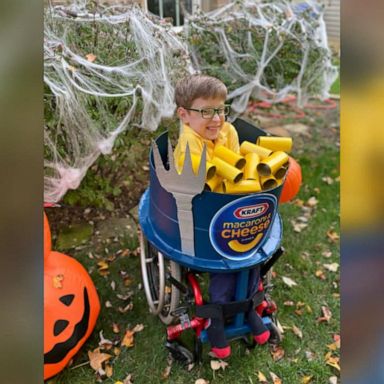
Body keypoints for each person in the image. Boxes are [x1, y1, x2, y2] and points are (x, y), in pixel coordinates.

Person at [173, 74, 270, 359]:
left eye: (220, 109)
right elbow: (209, 186)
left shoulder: (226, 131)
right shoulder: (189, 147)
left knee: (252, 260)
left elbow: (240, 162)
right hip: (208, 218)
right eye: (206, 111)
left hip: (237, 210)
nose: (216, 119)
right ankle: (218, 317)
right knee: (226, 268)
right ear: (184, 115)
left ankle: (249, 306)